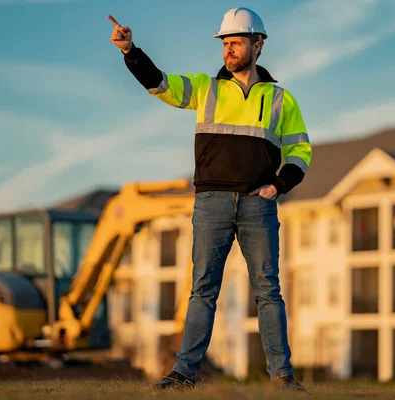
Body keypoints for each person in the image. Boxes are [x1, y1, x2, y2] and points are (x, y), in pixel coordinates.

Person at [107, 7, 311, 392]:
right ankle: (183, 374)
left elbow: (301, 150)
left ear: (258, 44)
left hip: (258, 204)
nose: (228, 49)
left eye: (235, 42)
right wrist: (130, 50)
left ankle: (283, 379)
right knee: (203, 289)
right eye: (225, 43)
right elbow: (160, 84)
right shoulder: (205, 88)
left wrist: (279, 185)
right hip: (211, 202)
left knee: (268, 290)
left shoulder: (282, 99)